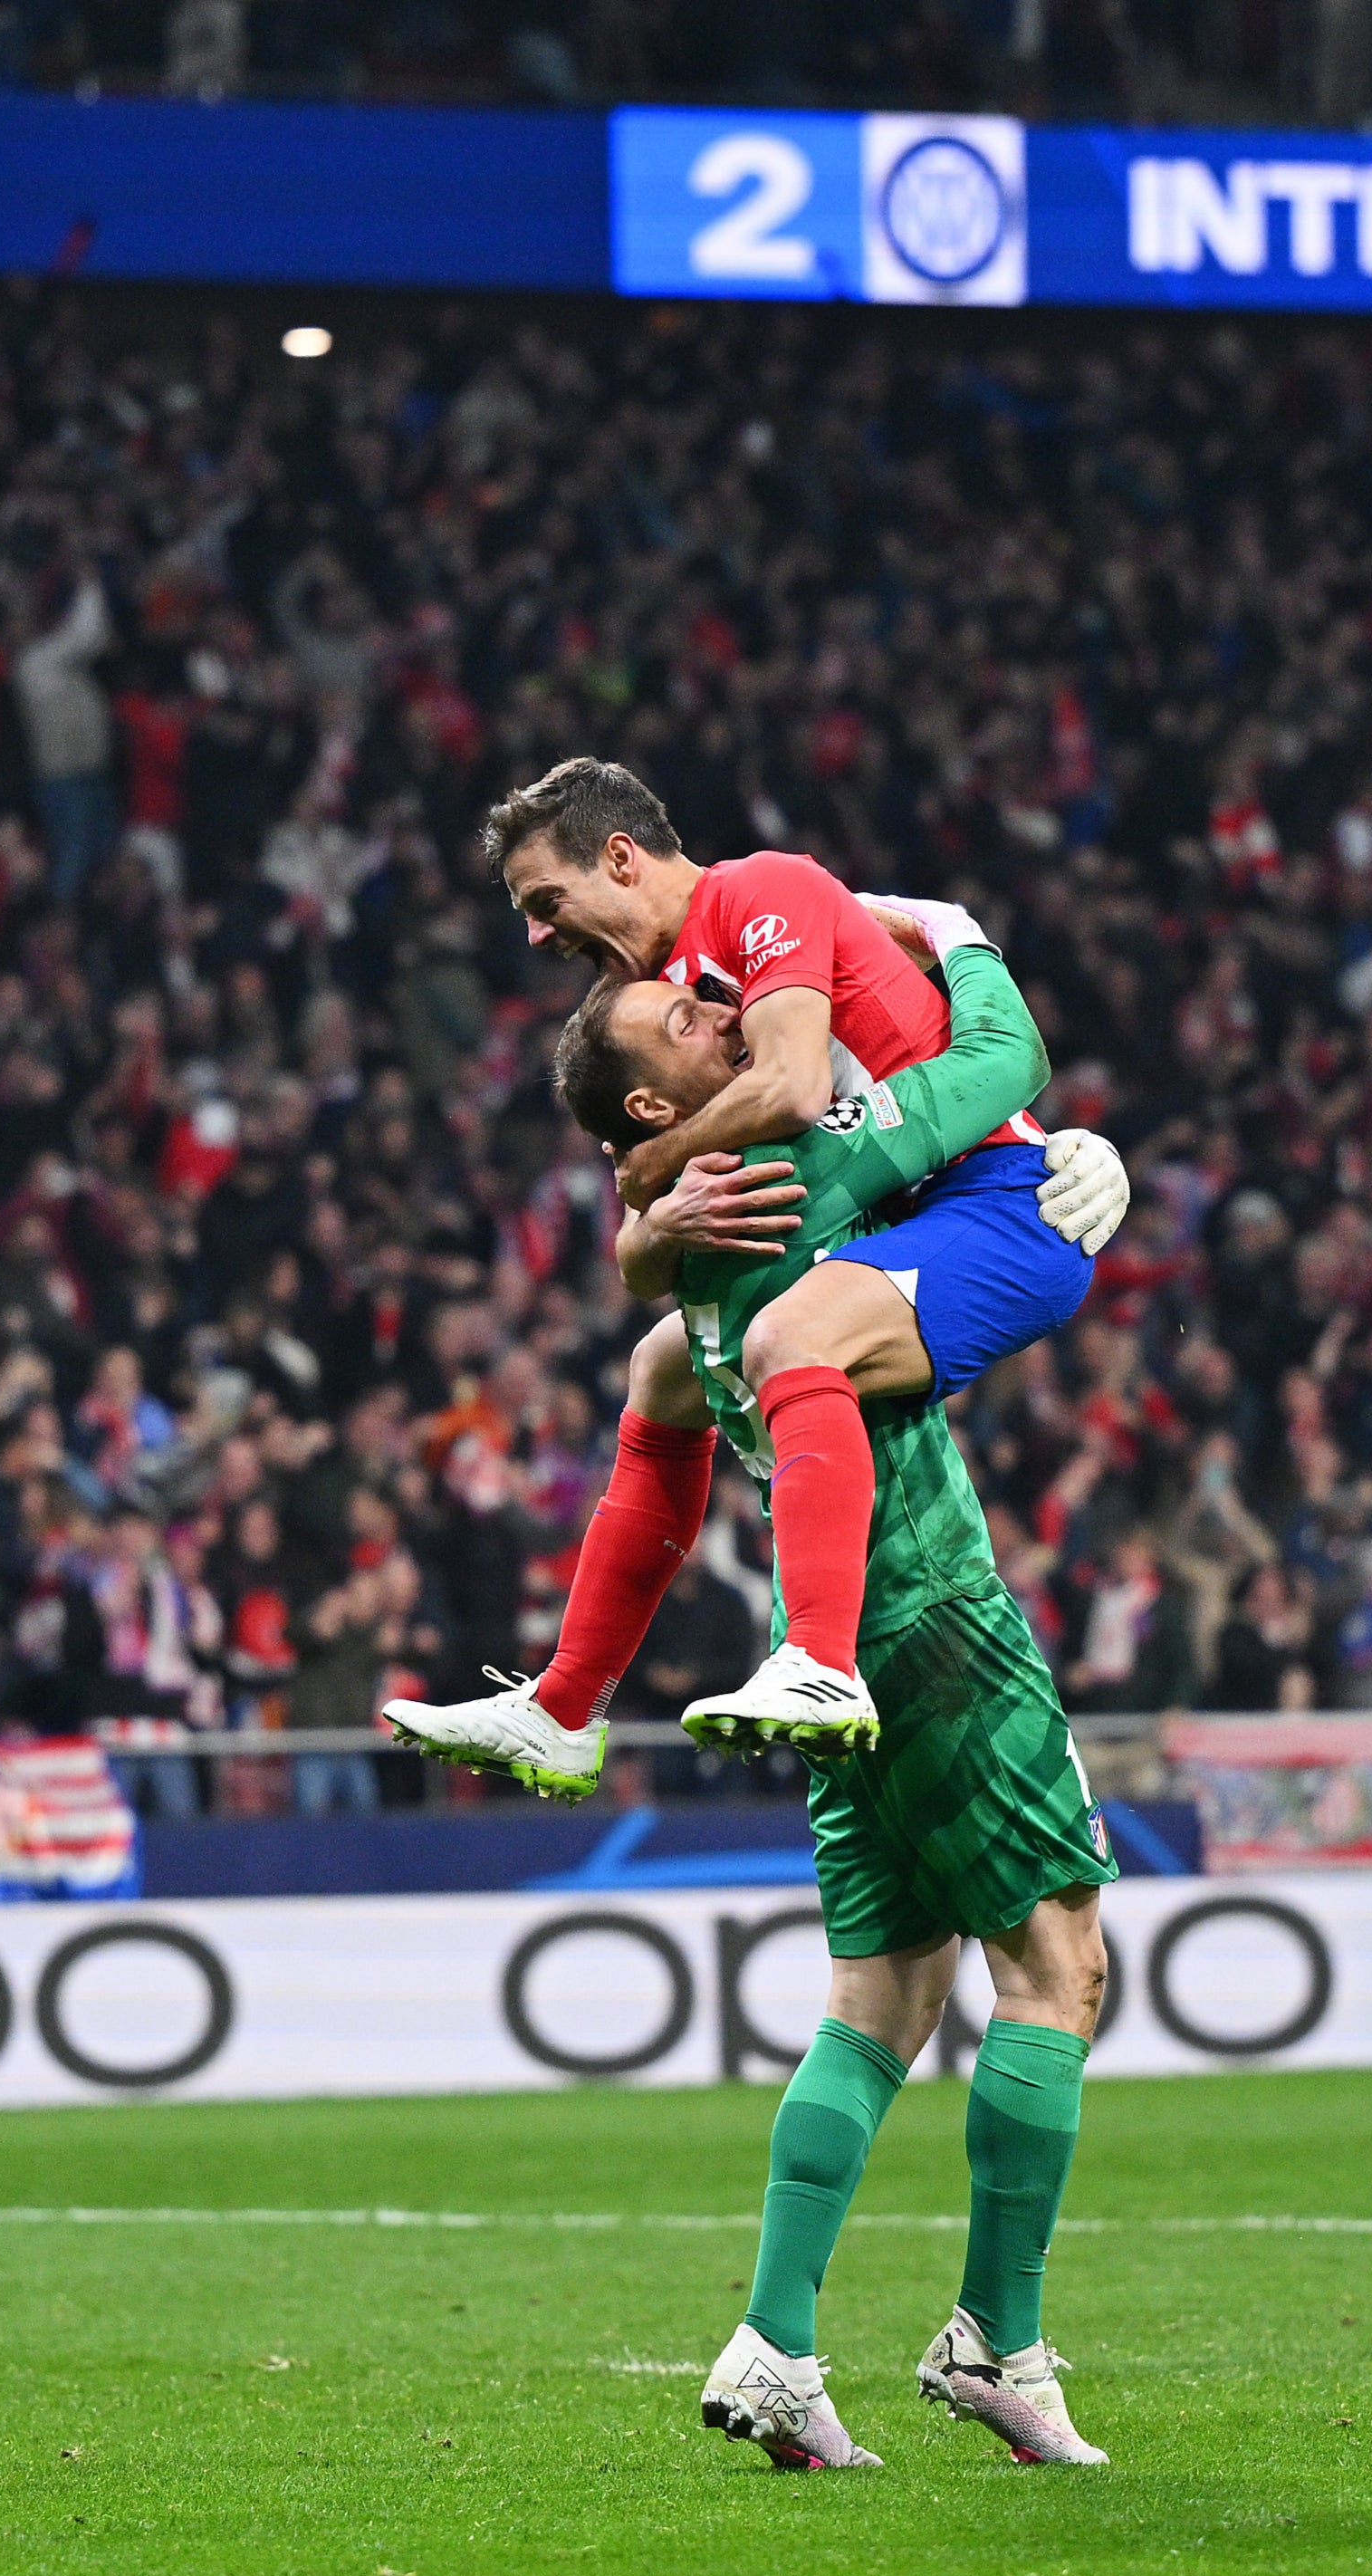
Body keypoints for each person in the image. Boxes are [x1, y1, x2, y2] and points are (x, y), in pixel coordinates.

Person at [564, 908, 1118, 2469]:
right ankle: (993, 2339)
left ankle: (774, 2340)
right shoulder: (789, 1191)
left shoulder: (695, 1297)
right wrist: (1067, 1154)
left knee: (884, 1988)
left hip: (833, 1656)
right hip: (930, 1611)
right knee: (1059, 1966)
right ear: (670, 1114)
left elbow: (646, 1340)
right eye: (684, 1023)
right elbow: (971, 1079)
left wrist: (637, 1205)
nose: (717, 1012)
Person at [388, 759, 1129, 1790]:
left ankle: (818, 1667)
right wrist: (659, 1196)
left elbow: (790, 1086)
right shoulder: (647, 1007)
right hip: (890, 1208)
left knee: (789, 1336)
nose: (535, 935)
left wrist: (654, 1169)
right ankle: (562, 1709)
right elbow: (641, 1249)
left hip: (995, 1197)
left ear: (617, 858)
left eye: (544, 902)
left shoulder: (755, 895)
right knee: (658, 1372)